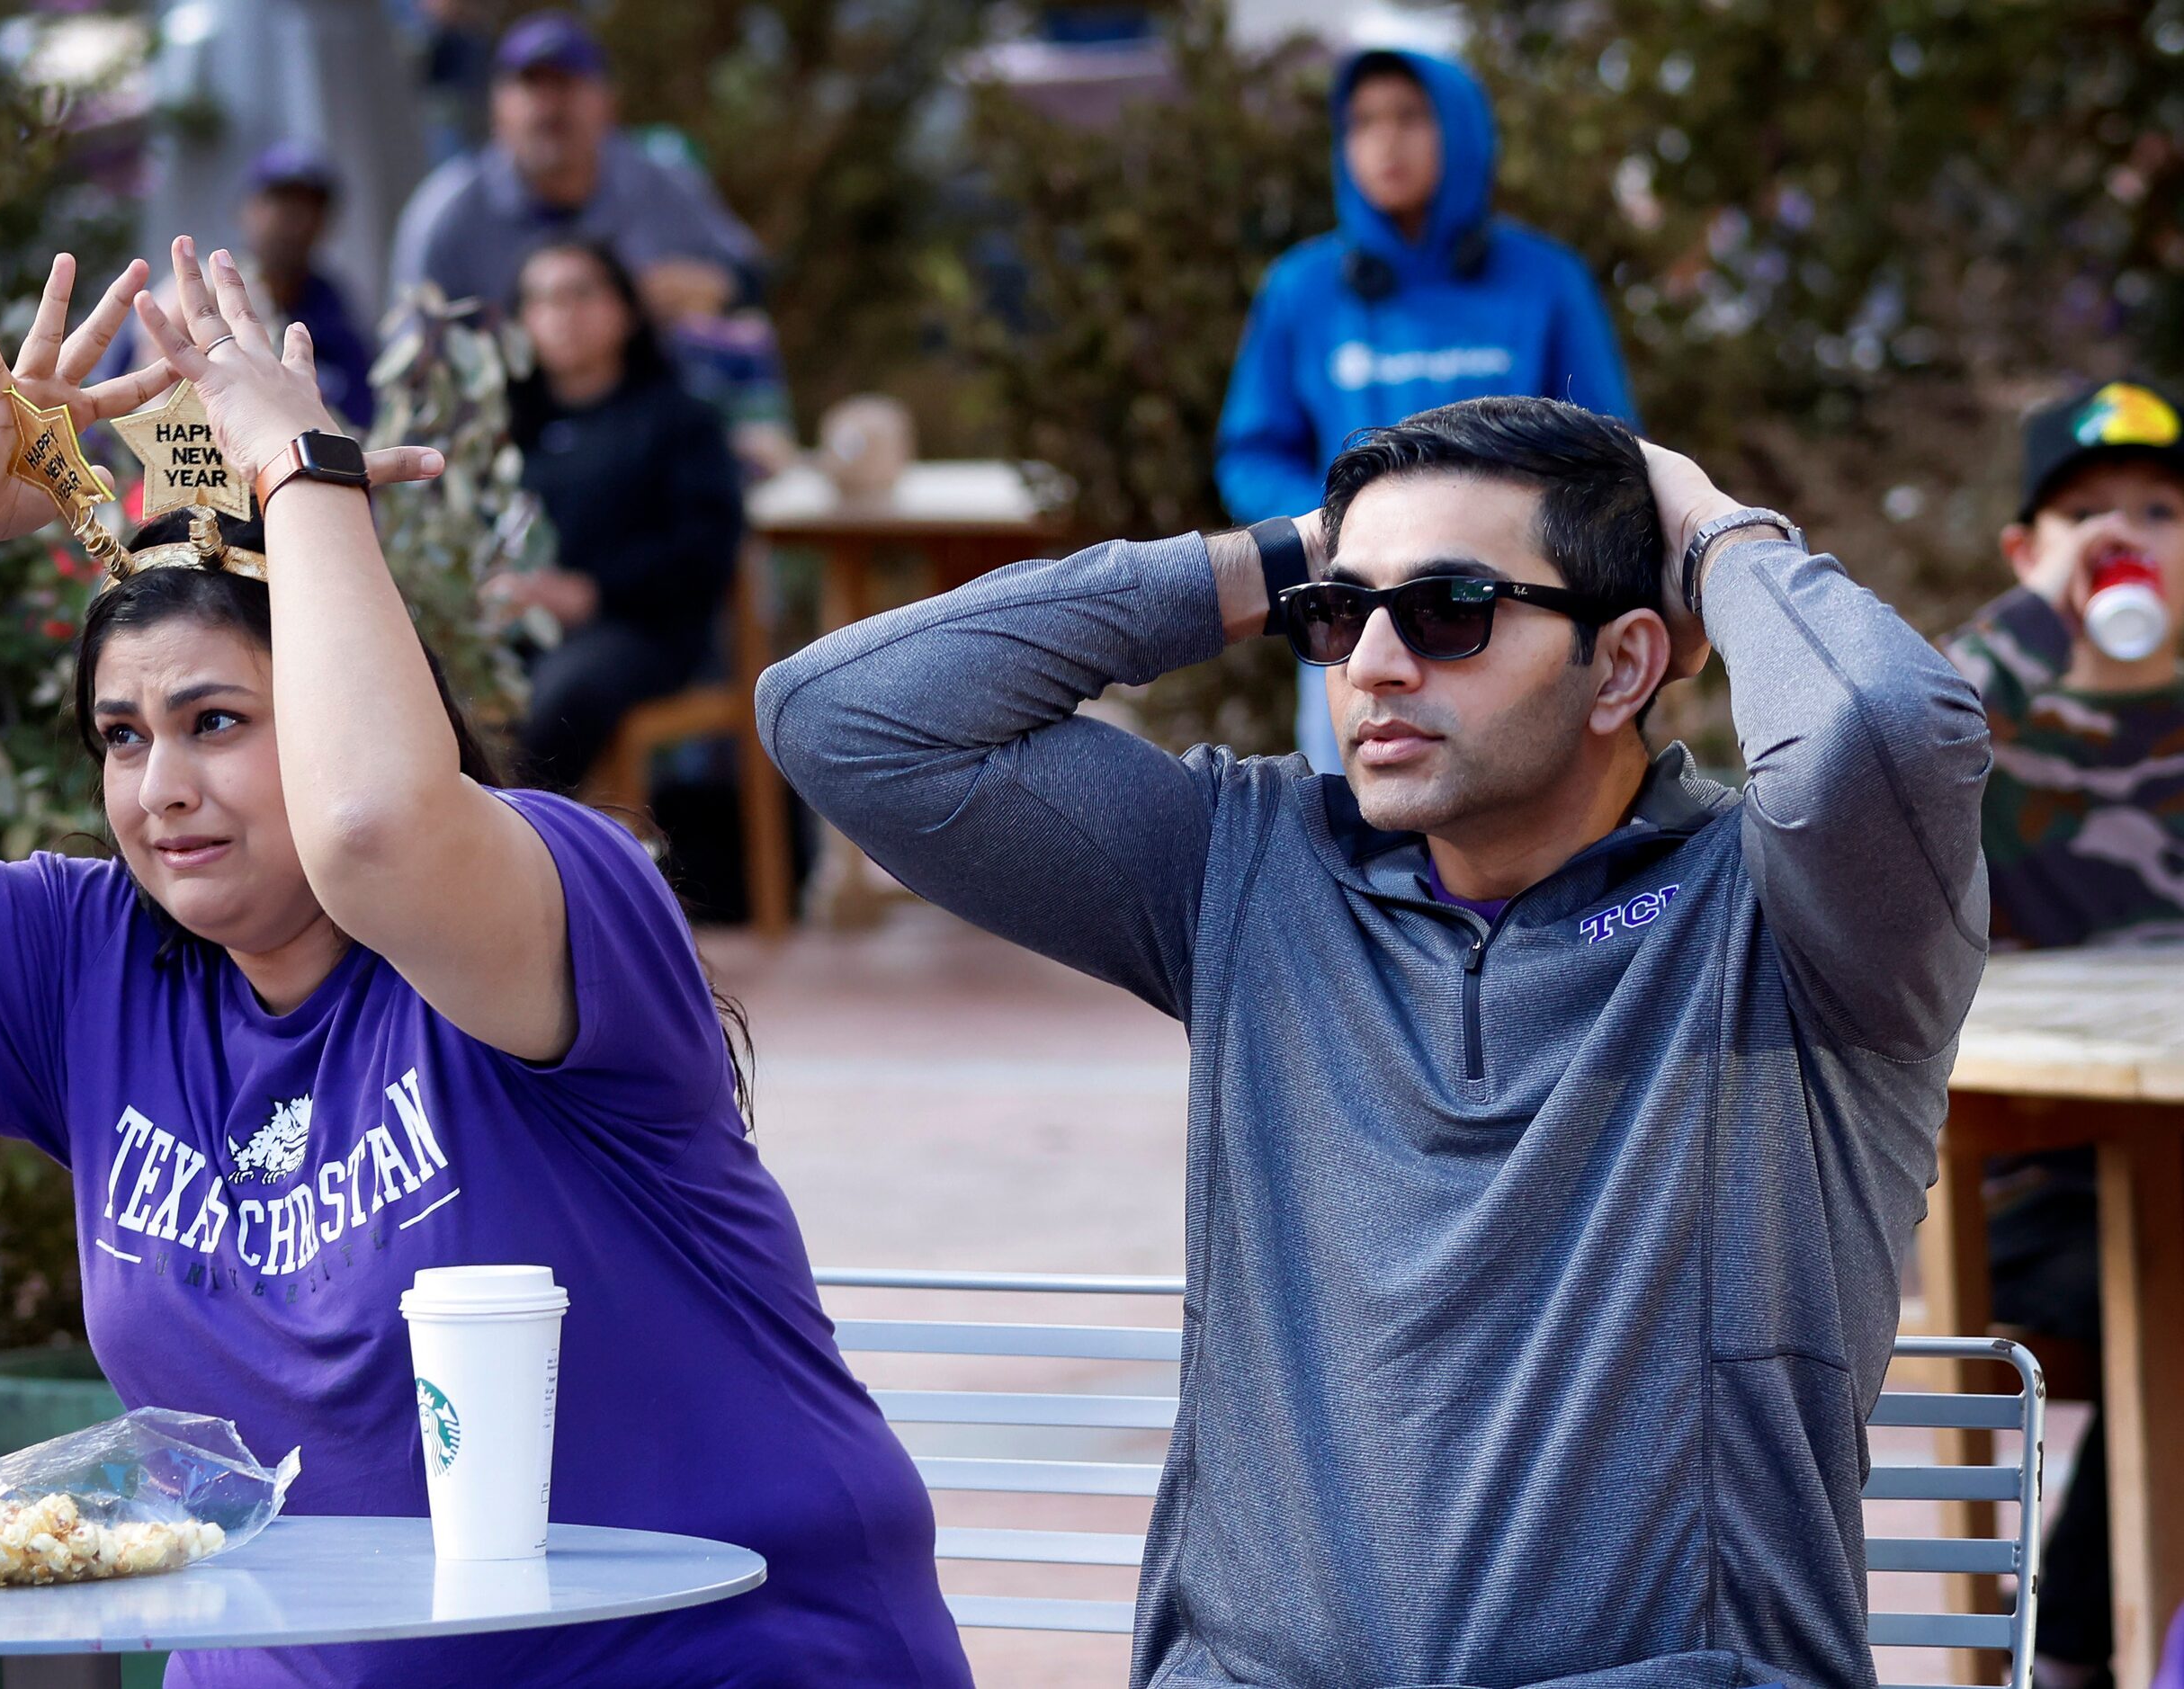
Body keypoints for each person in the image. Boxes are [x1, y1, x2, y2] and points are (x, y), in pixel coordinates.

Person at [0, 243, 969, 1689]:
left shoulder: (550, 897)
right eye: (122, 738)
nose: (159, 790)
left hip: (715, 1658)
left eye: (216, 722)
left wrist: (298, 469)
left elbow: (375, 824)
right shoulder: (91, 967)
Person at [761, 396, 1991, 1688]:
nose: (1376, 665)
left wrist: (1713, 532)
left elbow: (1883, 729)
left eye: (1451, 610)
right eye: (1343, 619)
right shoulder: (1245, 869)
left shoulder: (1802, 922)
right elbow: (843, 716)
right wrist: (1292, 554)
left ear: (1624, 665)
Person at [1936, 375, 2184, 1689]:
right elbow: (1871, 746)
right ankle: (2082, 1644)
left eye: (2160, 509)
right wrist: (2044, 617)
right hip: (2028, 1180)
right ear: (2027, 555)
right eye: (2084, 516)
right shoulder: (1987, 735)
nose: (2130, 534)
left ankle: (2083, 1644)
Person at [1216, 49, 1638, 774]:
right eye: (1363, 122)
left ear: (1461, 129)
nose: (1385, 142)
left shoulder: (1545, 281)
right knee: (1366, 828)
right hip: (1359, 616)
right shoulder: (1303, 288)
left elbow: (1610, 450)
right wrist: (1342, 531)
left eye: (1410, 118)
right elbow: (1251, 452)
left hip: (1509, 606)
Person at [497, 239, 745, 792]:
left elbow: (706, 549)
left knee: (564, 693)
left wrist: (592, 593)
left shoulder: (679, 419)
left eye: (580, 294)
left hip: (646, 632)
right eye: (541, 300)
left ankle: (521, 844)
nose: (563, 315)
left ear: (627, 311)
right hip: (527, 632)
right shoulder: (513, 427)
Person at [388, 11, 758, 323]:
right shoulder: (447, 213)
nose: (549, 106)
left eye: (566, 83)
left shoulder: (660, 180)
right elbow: (408, 356)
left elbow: (752, 277)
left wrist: (716, 287)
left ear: (609, 103)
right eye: (531, 85)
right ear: (496, 110)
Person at [237, 142, 376, 434]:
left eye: (311, 206)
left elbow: (362, 420)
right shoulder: (208, 298)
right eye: (282, 202)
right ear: (248, 210)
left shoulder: (334, 310)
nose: (297, 221)